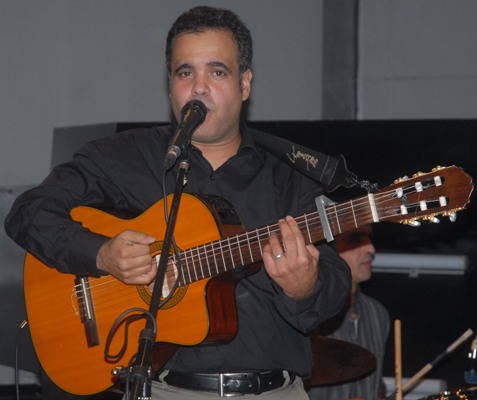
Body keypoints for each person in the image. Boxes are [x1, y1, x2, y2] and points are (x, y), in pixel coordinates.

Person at [4, 6, 351, 400]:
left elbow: (333, 291)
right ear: (170, 84)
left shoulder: (293, 176)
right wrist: (100, 254)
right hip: (160, 389)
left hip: (273, 392)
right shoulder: (125, 157)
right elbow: (28, 212)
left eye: (217, 72)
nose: (198, 88)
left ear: (244, 84)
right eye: (185, 73)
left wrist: (304, 287)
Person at [308, 226, 390, 400]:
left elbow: (376, 386)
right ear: (327, 251)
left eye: (369, 238)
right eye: (355, 240)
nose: (371, 249)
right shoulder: (306, 313)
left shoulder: (377, 313)